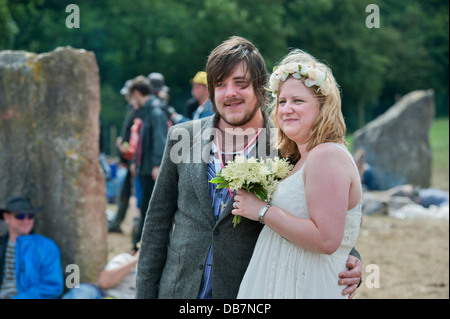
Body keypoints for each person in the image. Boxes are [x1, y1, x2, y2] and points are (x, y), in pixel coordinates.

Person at [136, 36, 362, 299]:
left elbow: (320, 213)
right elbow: (155, 226)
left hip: (247, 291)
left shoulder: (288, 143)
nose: (230, 92)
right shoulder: (181, 137)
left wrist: (351, 258)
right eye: (220, 84)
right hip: (178, 291)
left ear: (261, 88)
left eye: (240, 83)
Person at [233, 49, 362, 298]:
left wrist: (261, 210)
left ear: (322, 108)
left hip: (306, 287)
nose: (286, 109)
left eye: (298, 101)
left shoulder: (326, 156)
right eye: (282, 101)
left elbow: (326, 239)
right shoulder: (303, 157)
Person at [128, 76, 168, 253]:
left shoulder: (156, 112)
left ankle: (143, 246)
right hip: (143, 169)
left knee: (150, 209)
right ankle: (140, 244)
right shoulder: (145, 111)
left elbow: (160, 139)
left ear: (136, 93)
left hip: (151, 170)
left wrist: (157, 164)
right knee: (144, 207)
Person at [0, 195, 64, 299]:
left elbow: (53, 286)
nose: (26, 220)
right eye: (20, 216)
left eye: (30, 216)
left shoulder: (47, 247)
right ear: (7, 217)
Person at [62, 250, 139, 299]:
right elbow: (104, 282)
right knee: (83, 290)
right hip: (103, 295)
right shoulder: (125, 259)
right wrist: (135, 260)